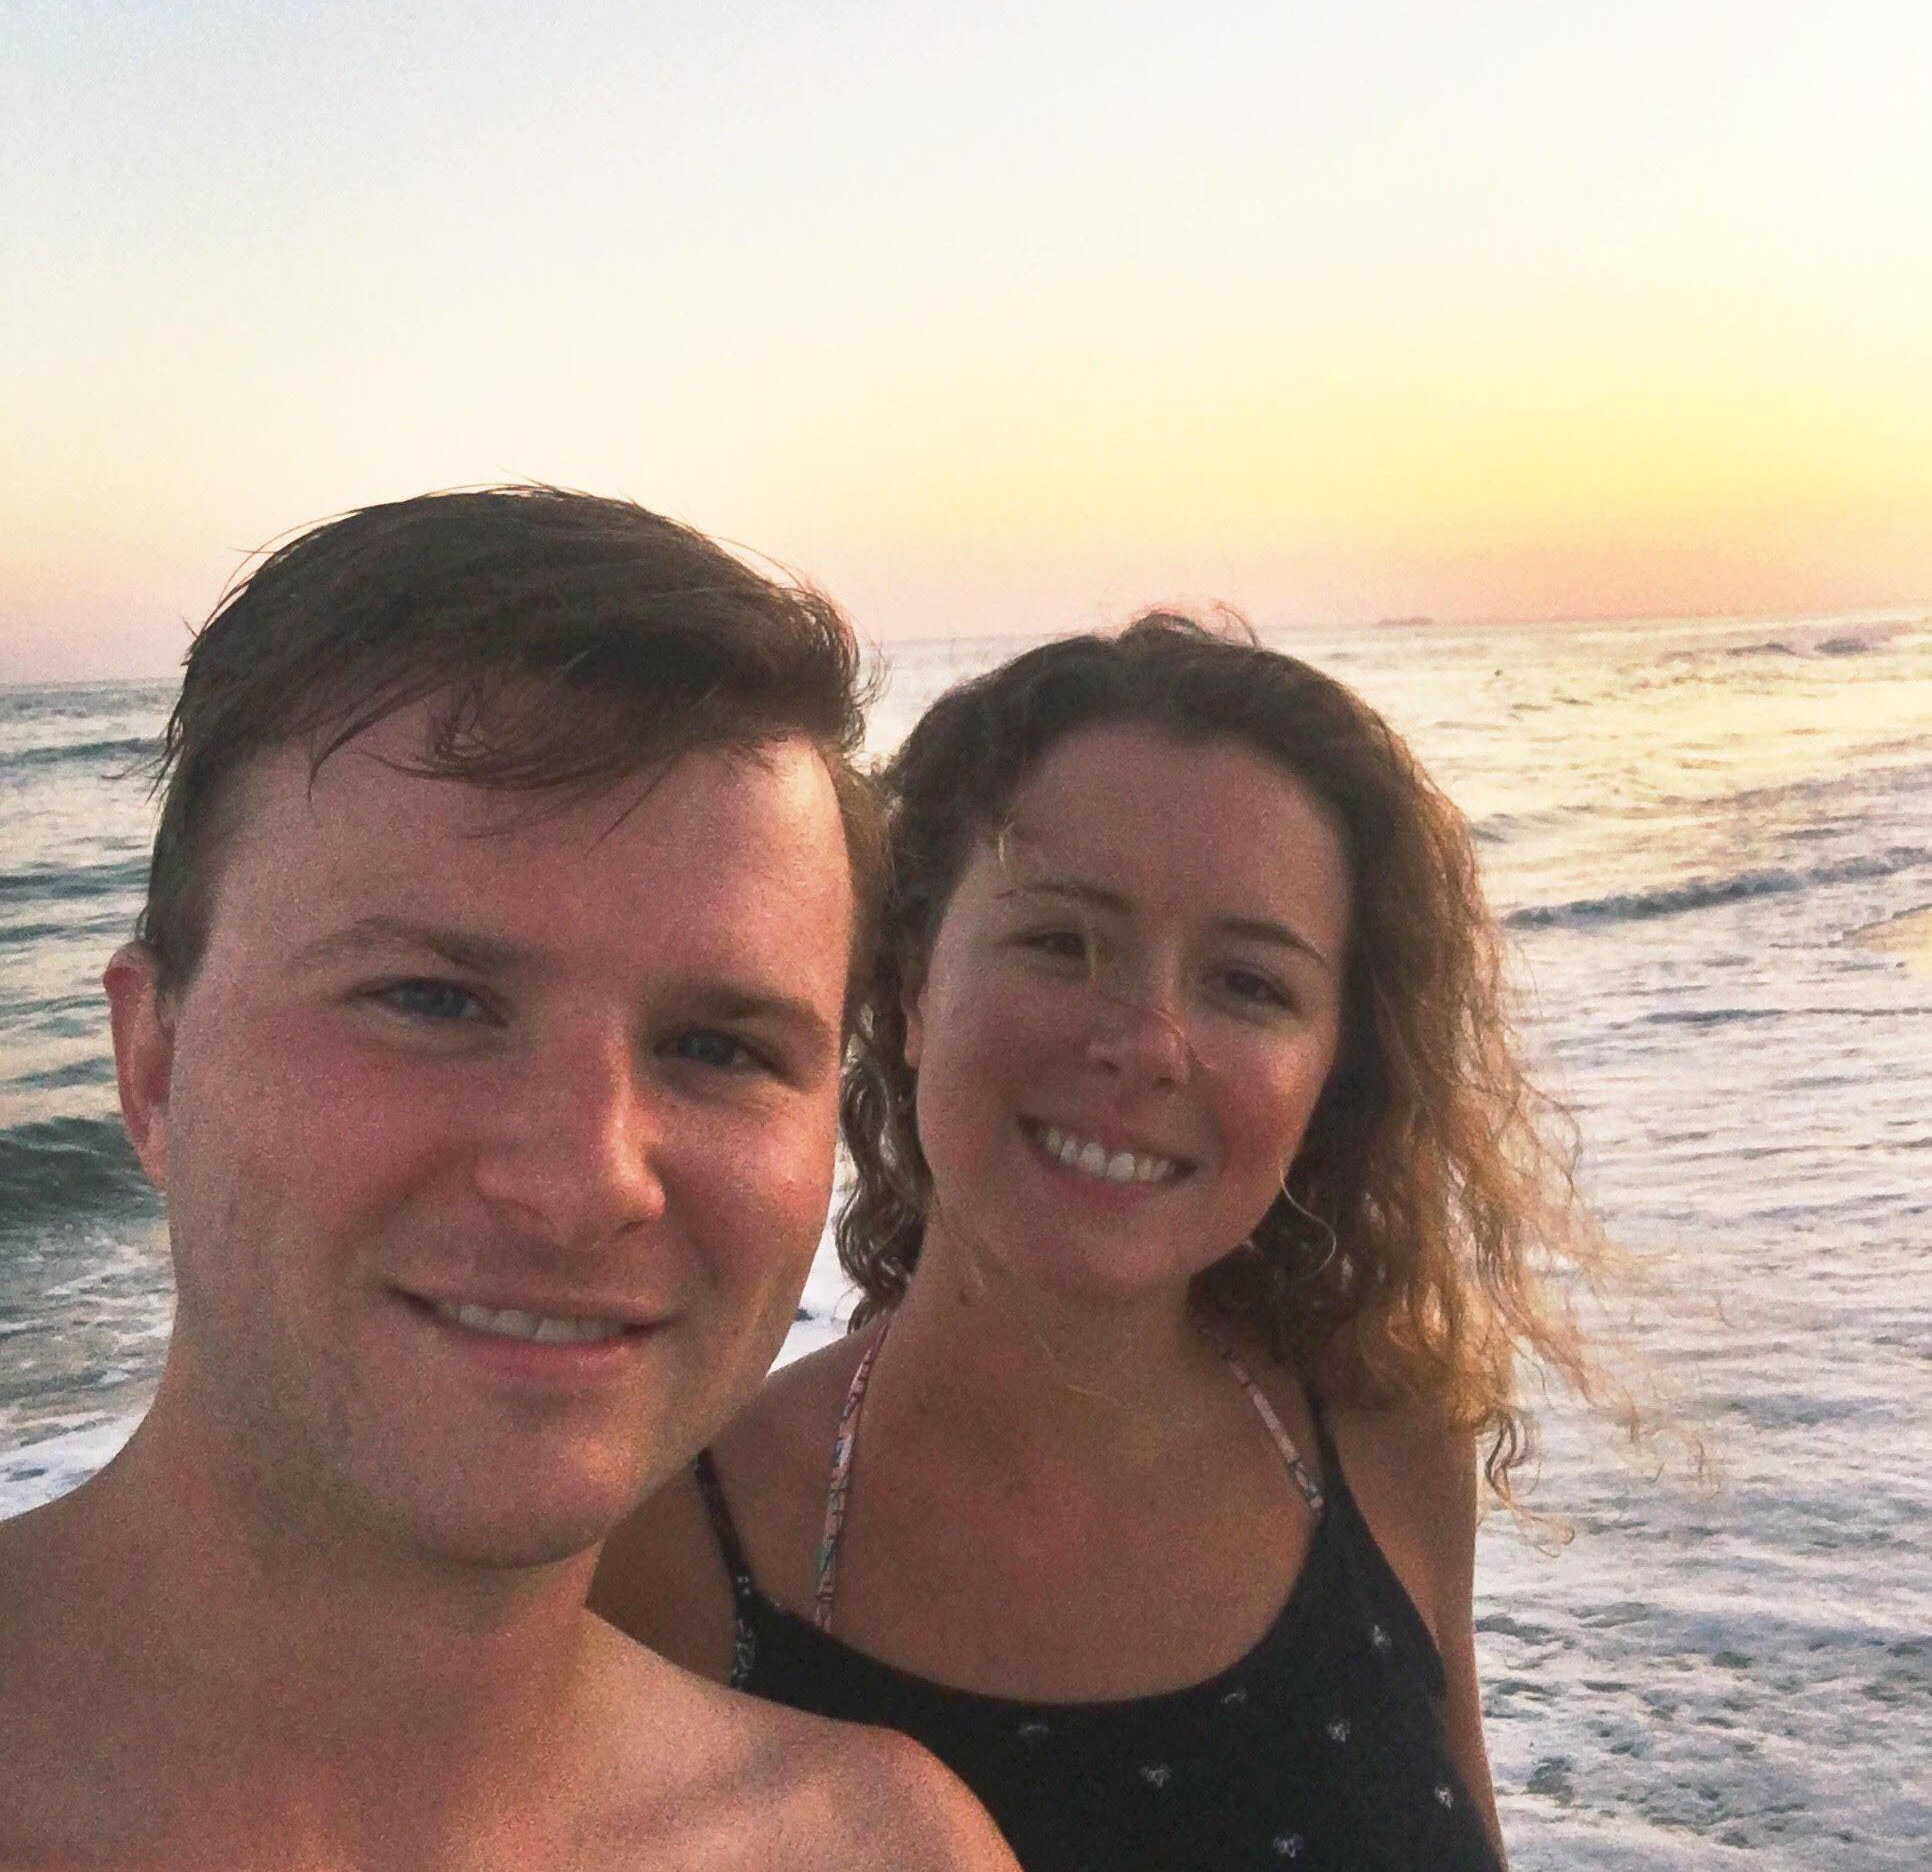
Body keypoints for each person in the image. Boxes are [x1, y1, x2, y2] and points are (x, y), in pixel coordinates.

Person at [0, 488, 1017, 1872]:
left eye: (717, 1047)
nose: (586, 1181)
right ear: (155, 1067)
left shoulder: (879, 1850)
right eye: (431, 1000)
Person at [596, 613, 1628, 1870]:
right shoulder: (666, 1544)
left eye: (1248, 983)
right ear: (913, 990)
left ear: (1330, 1073)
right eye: (1061, 943)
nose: (1145, 1044)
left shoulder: (1385, 1446)